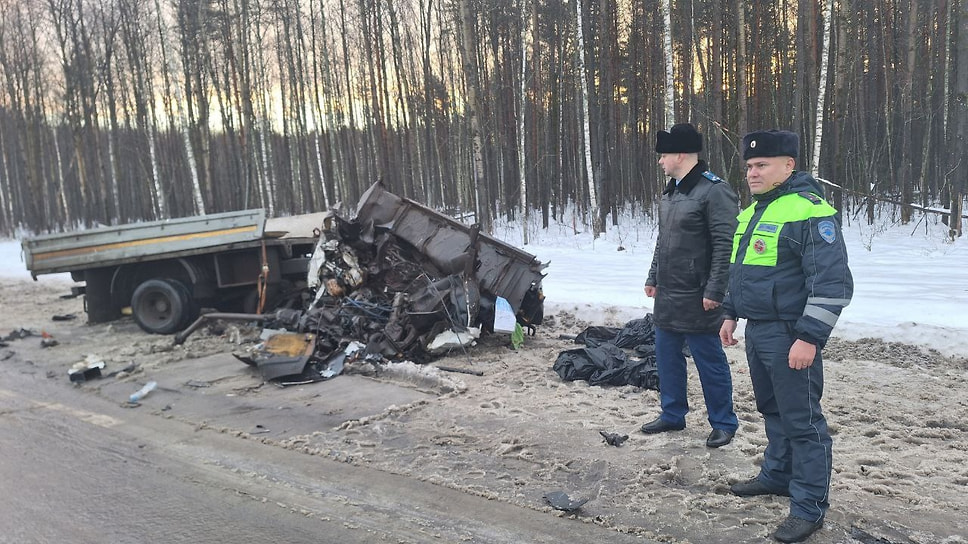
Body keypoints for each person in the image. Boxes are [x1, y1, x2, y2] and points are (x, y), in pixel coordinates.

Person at [719, 129, 853, 543]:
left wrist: (810, 337)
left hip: (792, 333)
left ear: (788, 165)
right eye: (749, 167)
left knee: (803, 421)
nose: (752, 173)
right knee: (772, 410)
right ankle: (777, 475)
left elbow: (831, 283)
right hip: (759, 331)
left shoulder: (811, 211)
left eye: (761, 166)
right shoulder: (756, 210)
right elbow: (741, 269)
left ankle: (809, 506)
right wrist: (729, 312)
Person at [641, 123, 739, 449]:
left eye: (664, 155)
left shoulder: (715, 191)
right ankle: (673, 413)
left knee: (709, 359)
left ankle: (723, 422)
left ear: (681, 154)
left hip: (699, 296)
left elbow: (726, 246)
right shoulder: (671, 192)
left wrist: (716, 291)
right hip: (668, 293)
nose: (660, 161)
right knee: (667, 357)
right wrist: (653, 276)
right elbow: (662, 241)